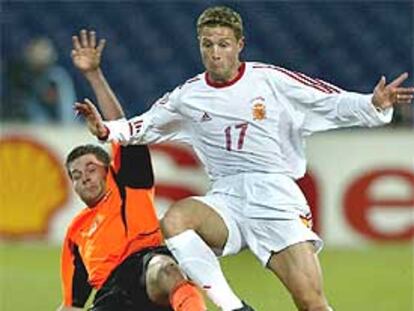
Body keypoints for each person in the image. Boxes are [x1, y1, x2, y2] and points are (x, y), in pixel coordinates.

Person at [72, 5, 414, 311]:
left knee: (311, 301)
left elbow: (329, 102)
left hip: (275, 195)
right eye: (207, 44)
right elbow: (140, 128)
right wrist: (105, 130)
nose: (215, 53)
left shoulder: (271, 80)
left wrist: (373, 104)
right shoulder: (188, 97)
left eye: (223, 44)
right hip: (227, 197)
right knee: (177, 220)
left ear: (239, 45)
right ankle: (233, 308)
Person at [57, 49, 206, 310]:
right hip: (110, 296)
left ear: (108, 170)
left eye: (91, 169)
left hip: (145, 268)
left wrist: (94, 76)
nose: (85, 179)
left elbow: (122, 128)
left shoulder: (127, 185)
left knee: (168, 270)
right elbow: (72, 303)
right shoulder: (76, 233)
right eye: (76, 176)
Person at [2, 37, 76, 123]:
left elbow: (67, 109)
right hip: (32, 125)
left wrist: (66, 126)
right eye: (37, 53)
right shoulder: (22, 77)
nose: (41, 56)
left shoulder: (57, 78)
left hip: (58, 127)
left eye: (44, 53)